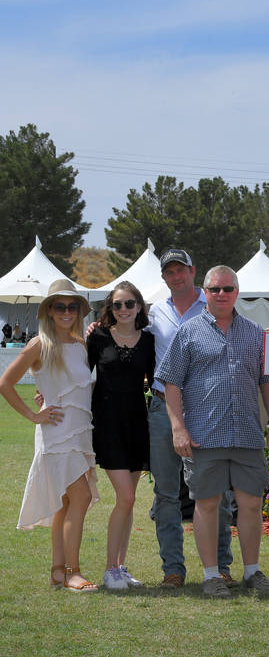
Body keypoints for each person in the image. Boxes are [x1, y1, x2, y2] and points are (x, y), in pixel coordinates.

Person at [157, 266, 269, 598]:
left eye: (228, 288)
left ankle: (252, 571)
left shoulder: (256, 332)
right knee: (207, 503)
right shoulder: (188, 332)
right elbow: (171, 384)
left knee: (252, 504)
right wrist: (178, 428)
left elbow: (268, 381)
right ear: (206, 292)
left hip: (246, 434)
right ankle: (212, 575)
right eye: (215, 289)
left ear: (237, 292)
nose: (221, 294)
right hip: (204, 435)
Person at [0, 279, 100, 591]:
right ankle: (73, 572)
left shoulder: (82, 345)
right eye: (60, 306)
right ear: (50, 310)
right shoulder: (38, 345)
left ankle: (59, 570)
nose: (67, 311)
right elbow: (5, 383)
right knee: (80, 497)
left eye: (72, 306)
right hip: (56, 435)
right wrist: (33, 414)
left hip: (80, 434)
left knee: (66, 502)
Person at [147, 249, 235, 589]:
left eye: (181, 270)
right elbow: (121, 332)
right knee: (166, 493)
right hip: (161, 410)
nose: (176, 276)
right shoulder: (154, 313)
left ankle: (221, 566)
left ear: (192, 271)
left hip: (206, 409)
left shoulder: (215, 303)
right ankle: (173, 569)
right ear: (164, 277)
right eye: (169, 271)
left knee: (216, 493)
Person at [87, 282, 156, 590]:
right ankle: (108, 569)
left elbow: (157, 382)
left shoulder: (150, 341)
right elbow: (77, 374)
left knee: (128, 501)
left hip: (137, 424)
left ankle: (121, 567)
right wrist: (48, 396)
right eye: (117, 305)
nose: (124, 310)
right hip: (107, 424)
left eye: (129, 304)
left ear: (139, 307)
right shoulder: (97, 337)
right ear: (110, 309)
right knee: (125, 496)